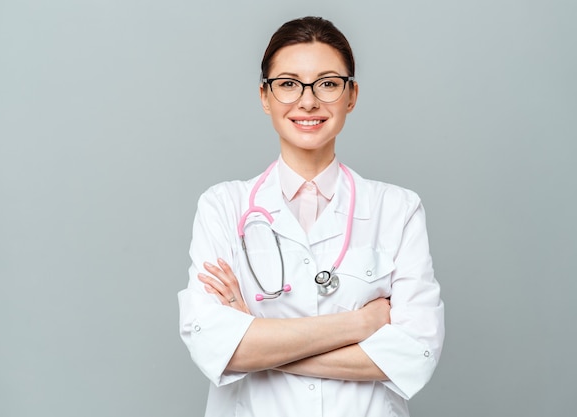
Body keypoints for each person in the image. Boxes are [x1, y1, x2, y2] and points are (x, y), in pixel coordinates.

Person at [178, 16, 444, 417]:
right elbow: (211, 344)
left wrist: (257, 344)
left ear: (351, 95)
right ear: (265, 97)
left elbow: (415, 355)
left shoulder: (398, 209)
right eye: (287, 84)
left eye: (328, 83)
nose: (307, 101)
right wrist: (359, 325)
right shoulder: (223, 206)